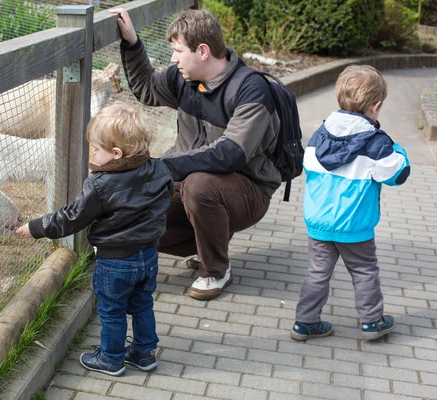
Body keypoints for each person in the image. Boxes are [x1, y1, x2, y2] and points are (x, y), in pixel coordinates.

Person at [109, 8, 281, 300]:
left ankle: (215, 270)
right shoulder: (184, 79)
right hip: (193, 185)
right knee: (133, 209)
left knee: (200, 185)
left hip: (247, 189)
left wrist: (160, 166)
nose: (174, 59)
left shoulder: (251, 89)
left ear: (203, 51)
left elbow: (230, 154)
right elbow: (146, 88)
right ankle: (206, 241)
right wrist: (132, 43)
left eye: (178, 51)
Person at [16, 103, 174, 376]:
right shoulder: (159, 169)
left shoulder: (100, 185)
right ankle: (144, 354)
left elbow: (72, 217)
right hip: (148, 256)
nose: (91, 153)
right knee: (142, 305)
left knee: (112, 310)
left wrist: (38, 226)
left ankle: (111, 359)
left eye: (96, 149)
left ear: (116, 154)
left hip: (115, 263)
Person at [290, 65, 410, 341]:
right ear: (376, 105)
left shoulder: (320, 134)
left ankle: (305, 322)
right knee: (364, 270)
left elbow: (308, 165)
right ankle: (372, 321)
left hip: (319, 223)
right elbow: (397, 174)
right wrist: (397, 149)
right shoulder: (375, 142)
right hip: (354, 226)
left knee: (317, 272)